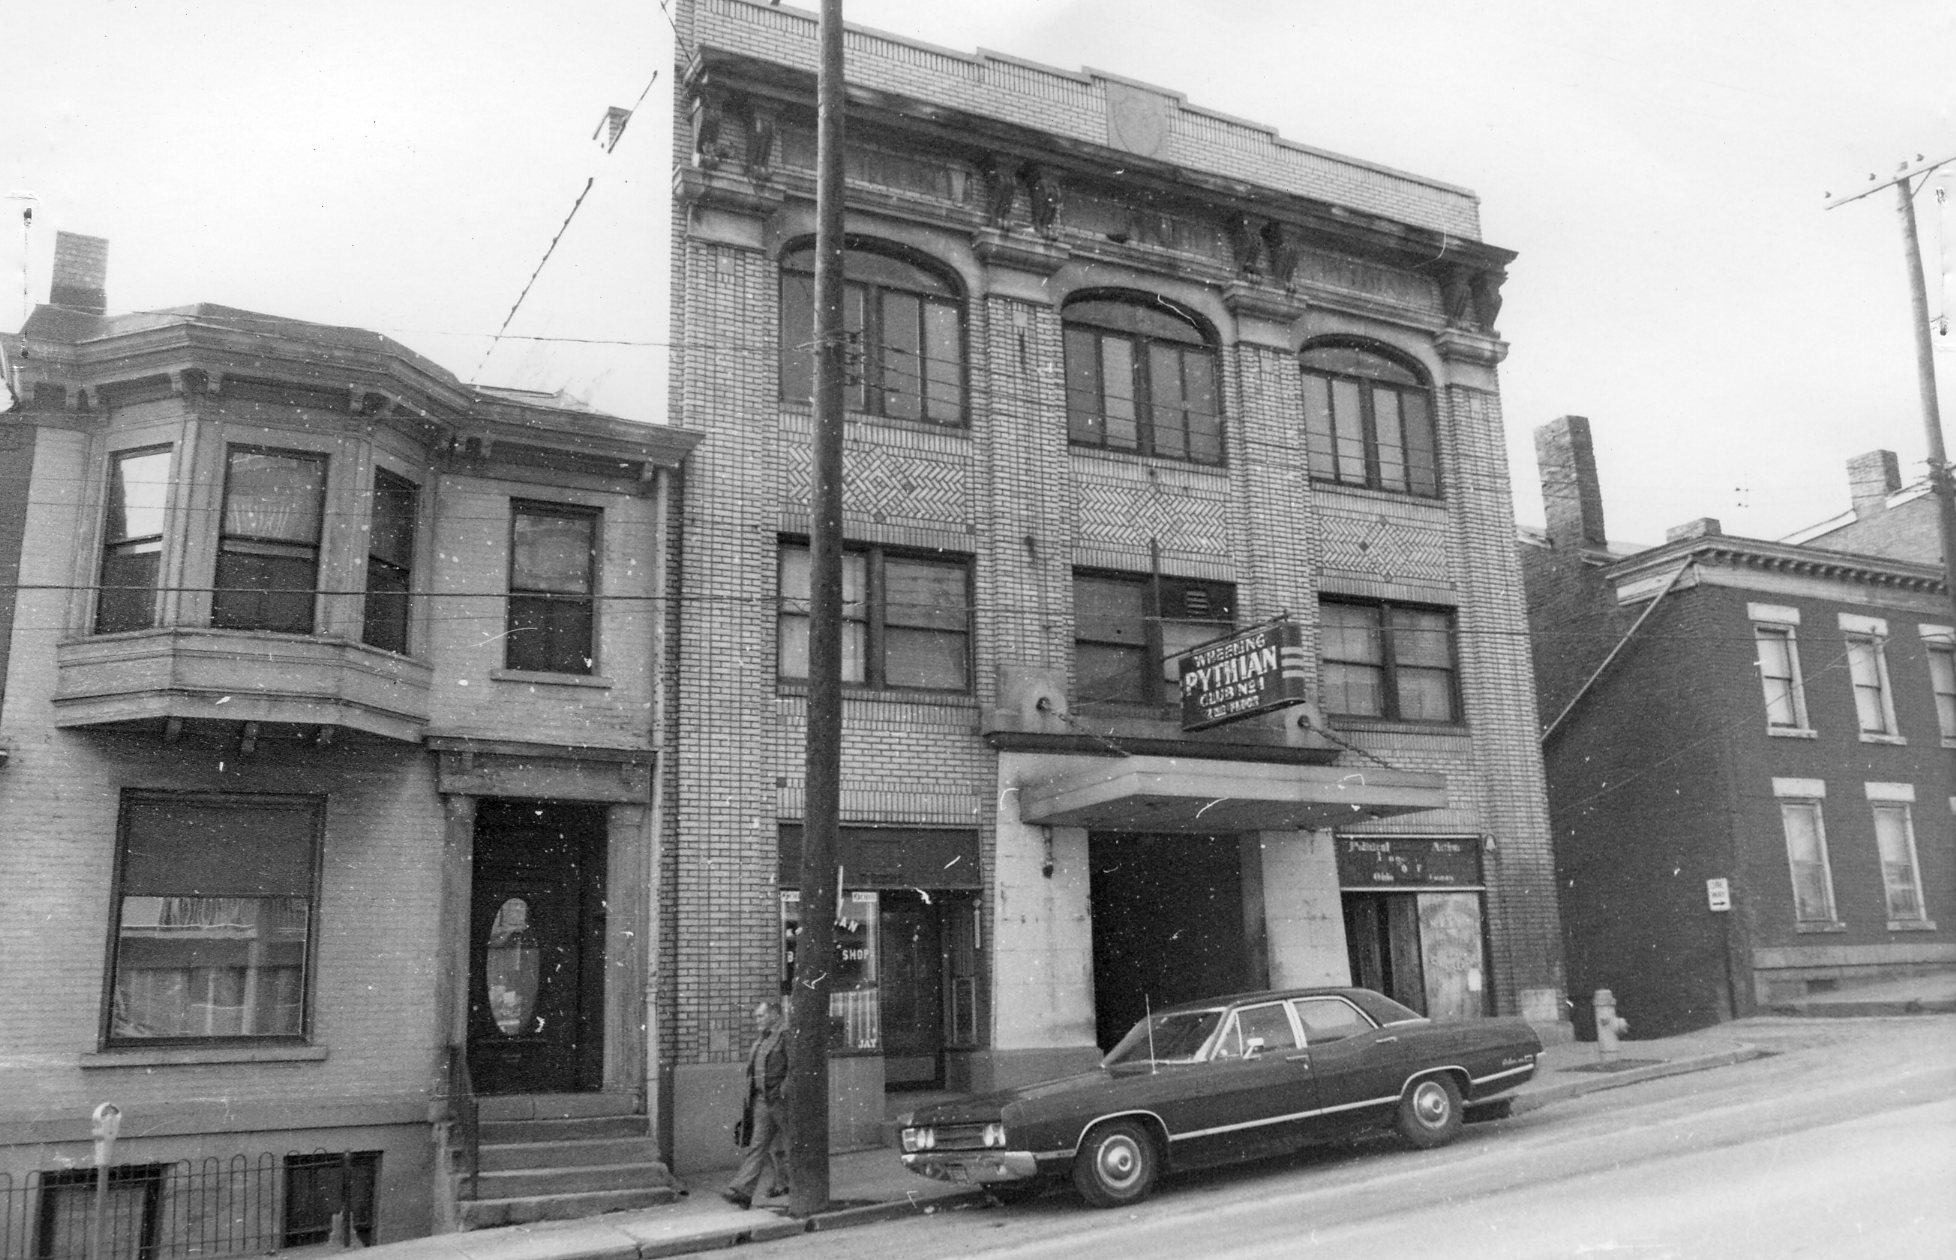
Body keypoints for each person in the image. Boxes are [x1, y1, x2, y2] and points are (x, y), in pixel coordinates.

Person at [723, 998, 790, 1207]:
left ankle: (802, 1187)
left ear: (774, 1014)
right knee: (758, 1146)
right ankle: (743, 1192)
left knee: (795, 1144)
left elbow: (795, 1067)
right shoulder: (764, 1038)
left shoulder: (786, 1035)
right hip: (762, 1100)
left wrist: (784, 1090)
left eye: (761, 1015)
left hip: (780, 1100)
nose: (757, 1020)